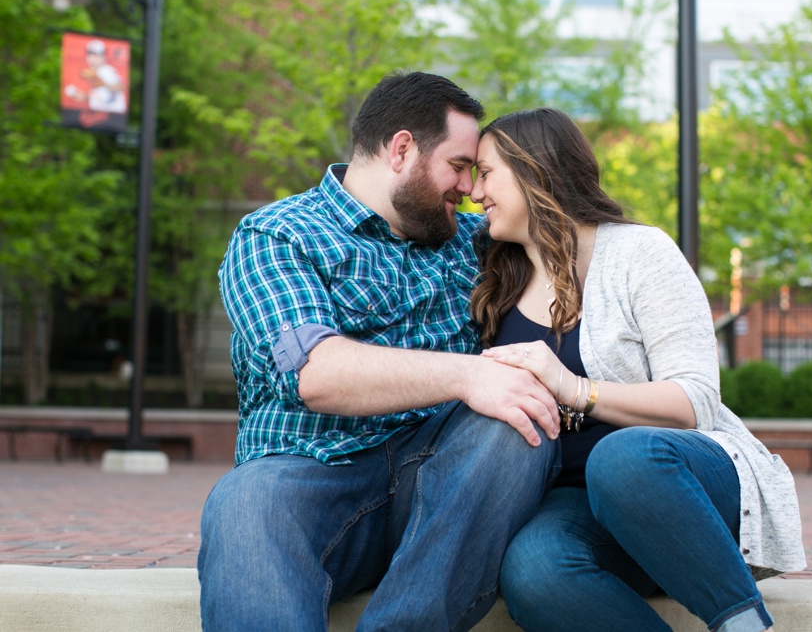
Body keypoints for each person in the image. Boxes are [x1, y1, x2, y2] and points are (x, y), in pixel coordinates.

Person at [198, 73, 560, 632]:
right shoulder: (277, 235)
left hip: (445, 495)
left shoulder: (476, 240)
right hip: (312, 480)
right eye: (460, 165)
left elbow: (575, 239)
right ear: (402, 148)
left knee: (517, 420)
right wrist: (467, 375)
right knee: (245, 502)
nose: (469, 188)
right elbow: (315, 372)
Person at [468, 108, 806, 632]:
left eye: (486, 173)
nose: (474, 191)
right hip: (575, 503)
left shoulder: (639, 254)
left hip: (678, 480)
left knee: (621, 457)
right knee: (534, 569)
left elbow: (695, 403)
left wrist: (574, 388)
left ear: (534, 170)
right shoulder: (495, 282)